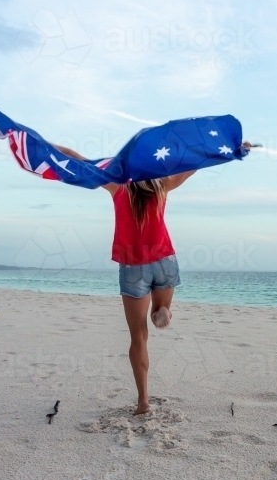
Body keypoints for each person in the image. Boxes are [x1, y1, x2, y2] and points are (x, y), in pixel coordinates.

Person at [54, 142, 250, 414]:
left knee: (138, 338)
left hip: (134, 267)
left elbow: (80, 160)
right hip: (164, 262)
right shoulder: (162, 185)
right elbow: (198, 163)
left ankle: (143, 401)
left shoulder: (116, 186)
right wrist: (234, 150)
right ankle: (163, 311)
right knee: (159, 310)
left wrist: (44, 144)